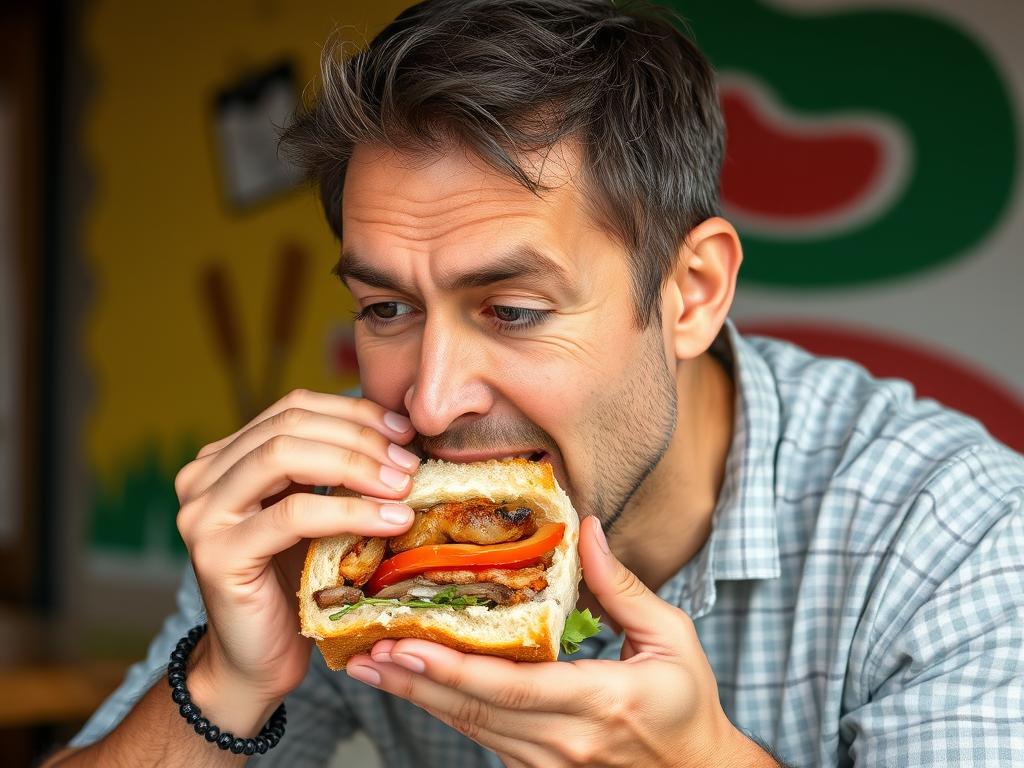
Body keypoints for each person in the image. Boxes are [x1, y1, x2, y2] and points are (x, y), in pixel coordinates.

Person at [45, 1, 1024, 766]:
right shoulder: (319, 529)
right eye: (387, 308)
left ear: (691, 293)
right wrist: (223, 681)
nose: (430, 402)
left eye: (510, 311)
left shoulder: (951, 536)